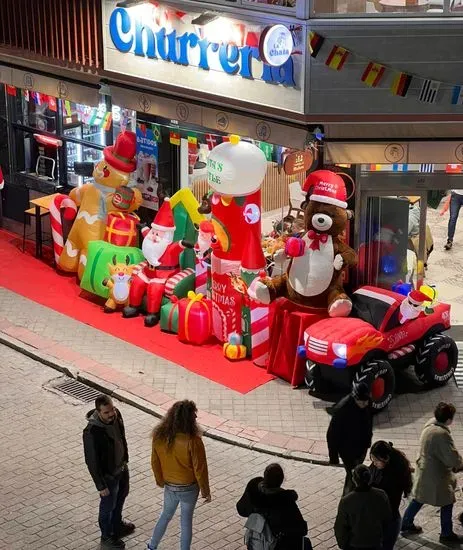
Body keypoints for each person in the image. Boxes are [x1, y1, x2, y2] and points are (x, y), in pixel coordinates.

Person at [148, 400, 211, 550]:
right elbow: (200, 469)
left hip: (170, 486)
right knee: (186, 522)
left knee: (165, 515)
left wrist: (160, 481)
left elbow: (154, 462)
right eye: (194, 415)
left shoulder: (159, 436)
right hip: (189, 488)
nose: (196, 418)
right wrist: (205, 491)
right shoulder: (194, 441)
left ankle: (152, 545)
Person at [401, 402, 463, 544]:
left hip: (424, 471)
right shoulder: (441, 434)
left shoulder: (430, 425)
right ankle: (446, 534)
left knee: (418, 498)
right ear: (448, 420)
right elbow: (451, 458)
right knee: (447, 502)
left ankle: (406, 524)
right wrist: (459, 463)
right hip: (436, 476)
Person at [83, 395, 134, 549]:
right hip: (108, 476)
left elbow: (121, 437)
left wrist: (124, 459)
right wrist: (100, 485)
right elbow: (91, 461)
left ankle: (116, 524)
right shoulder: (91, 432)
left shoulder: (117, 415)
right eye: (106, 412)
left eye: (111, 409)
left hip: (121, 467)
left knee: (122, 495)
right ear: (98, 412)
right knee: (108, 505)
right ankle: (107, 535)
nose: (111, 413)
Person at [236, 463, 309, 550]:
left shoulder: (254, 491)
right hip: (276, 546)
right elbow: (302, 529)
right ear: (281, 480)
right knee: (305, 543)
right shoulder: (286, 501)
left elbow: (241, 509)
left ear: (265, 476)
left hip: (256, 543)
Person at [327, 382, 373, 495]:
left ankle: (352, 498)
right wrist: (333, 457)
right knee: (353, 475)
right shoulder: (342, 409)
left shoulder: (366, 402)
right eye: (362, 401)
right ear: (355, 398)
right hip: (348, 450)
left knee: (354, 475)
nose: (365, 404)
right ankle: (347, 500)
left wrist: (367, 443)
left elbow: (368, 423)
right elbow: (332, 434)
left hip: (361, 447)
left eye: (367, 401)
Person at [335, 464, 392, 550]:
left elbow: (340, 526)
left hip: (355, 544)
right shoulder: (381, 495)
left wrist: (343, 545)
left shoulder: (347, 501)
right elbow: (387, 519)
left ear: (354, 480)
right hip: (375, 542)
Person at [369, 441, 413, 550]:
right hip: (380, 516)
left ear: (386, 458)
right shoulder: (377, 466)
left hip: (389, 518)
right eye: (372, 460)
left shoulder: (394, 474)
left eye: (376, 460)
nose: (374, 463)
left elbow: (387, 497)